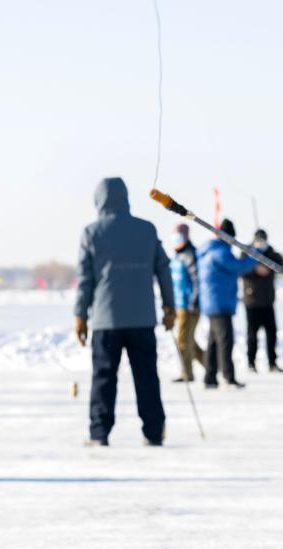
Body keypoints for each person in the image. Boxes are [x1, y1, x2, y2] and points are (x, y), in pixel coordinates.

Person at [74, 177, 174, 447]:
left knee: (104, 378)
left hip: (106, 321)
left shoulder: (92, 233)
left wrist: (80, 316)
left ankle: (99, 432)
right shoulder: (147, 230)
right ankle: (153, 432)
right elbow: (164, 270)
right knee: (146, 377)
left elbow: (85, 281)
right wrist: (169, 307)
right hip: (142, 319)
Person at [196, 219, 256, 389]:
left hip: (212, 302)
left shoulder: (209, 250)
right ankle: (228, 377)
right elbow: (239, 267)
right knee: (225, 341)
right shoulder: (221, 252)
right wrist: (255, 253)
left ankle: (210, 377)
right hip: (219, 303)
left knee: (214, 342)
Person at [241, 229, 283, 373]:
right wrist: (255, 268)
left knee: (271, 333)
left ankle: (272, 363)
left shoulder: (271, 253)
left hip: (267, 301)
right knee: (252, 335)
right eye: (258, 241)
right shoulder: (246, 251)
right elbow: (241, 269)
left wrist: (267, 261)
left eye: (263, 241)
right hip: (251, 301)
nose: (261, 243)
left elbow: (280, 263)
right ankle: (251, 363)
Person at [169, 224, 204, 383]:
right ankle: (212, 365)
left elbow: (197, 280)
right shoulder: (177, 256)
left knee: (183, 340)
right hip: (179, 304)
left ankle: (187, 373)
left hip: (189, 305)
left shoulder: (190, 254)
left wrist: (194, 301)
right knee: (189, 340)